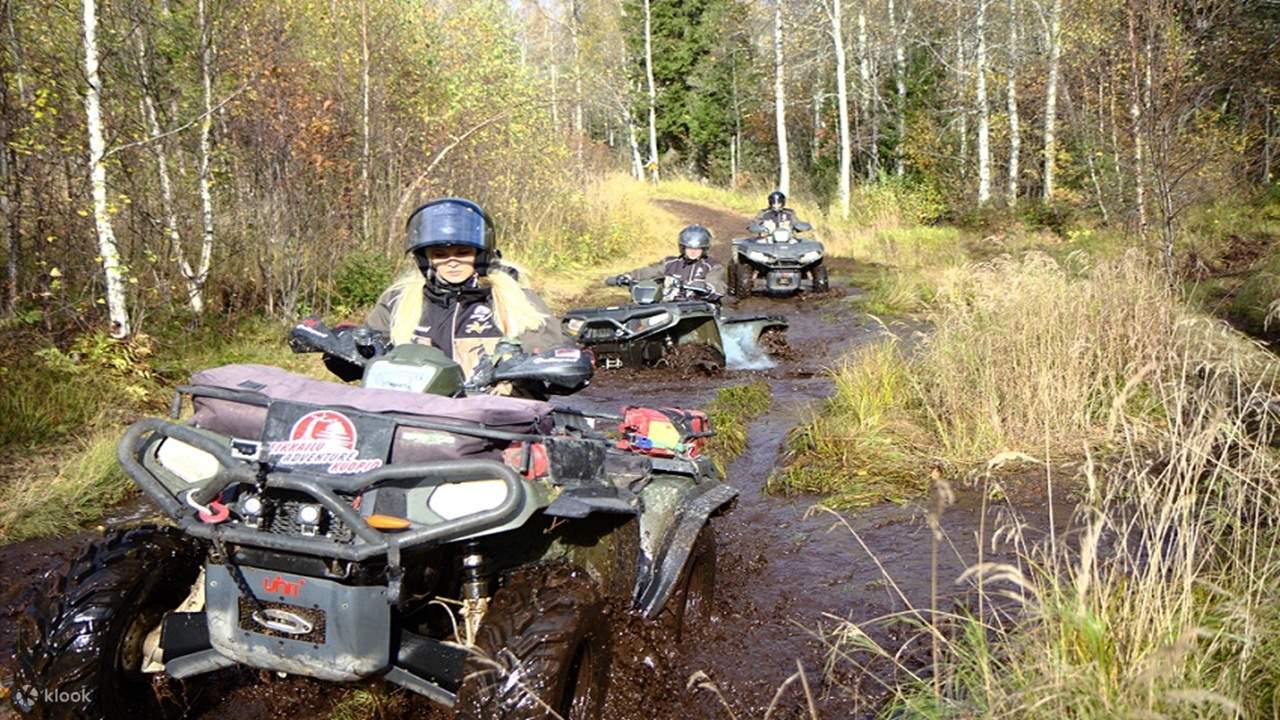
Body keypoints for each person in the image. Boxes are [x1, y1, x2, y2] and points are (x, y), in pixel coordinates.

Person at [342, 198, 563, 380]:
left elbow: (548, 351)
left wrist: (536, 366)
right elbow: (368, 354)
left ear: (480, 254)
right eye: (440, 254)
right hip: (416, 412)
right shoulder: (398, 301)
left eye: (463, 252)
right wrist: (345, 350)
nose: (452, 261)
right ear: (426, 259)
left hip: (494, 415)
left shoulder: (515, 300)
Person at [606, 224, 727, 301]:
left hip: (699, 311)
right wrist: (626, 277)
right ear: (682, 247)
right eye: (689, 248)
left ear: (704, 249)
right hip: (669, 308)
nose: (693, 252)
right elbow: (651, 271)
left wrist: (706, 288)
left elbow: (717, 284)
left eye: (697, 249)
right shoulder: (671, 263)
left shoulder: (713, 266)